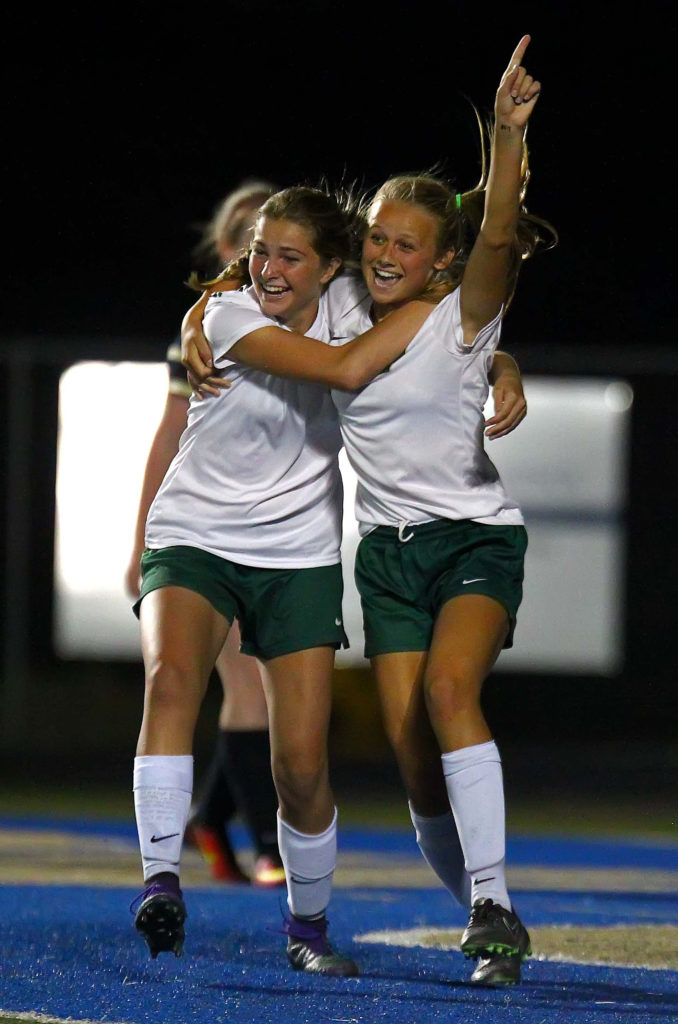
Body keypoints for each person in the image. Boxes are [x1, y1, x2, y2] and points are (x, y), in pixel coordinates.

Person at [182, 37, 553, 987]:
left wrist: (507, 142)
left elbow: (501, 232)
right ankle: (479, 901)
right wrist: (198, 316)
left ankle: (494, 903)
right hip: (385, 556)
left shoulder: (464, 310)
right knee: (408, 756)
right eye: (378, 238)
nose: (385, 254)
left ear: (442, 259)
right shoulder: (346, 298)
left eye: (406, 245)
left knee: (446, 695)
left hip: (474, 539)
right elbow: (265, 274)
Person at [131, 184, 443, 976]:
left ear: (331, 265)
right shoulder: (232, 312)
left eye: (289, 256)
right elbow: (341, 372)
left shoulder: (353, 299)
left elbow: (457, 328)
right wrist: (198, 310)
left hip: (297, 552)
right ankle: (161, 882)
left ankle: (308, 928)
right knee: (172, 681)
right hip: (194, 532)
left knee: (301, 764)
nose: (267, 268)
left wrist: (498, 359)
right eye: (259, 251)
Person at [125, 180, 286, 888]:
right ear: (226, 248)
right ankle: (266, 848)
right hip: (205, 534)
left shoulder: (301, 330)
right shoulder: (206, 330)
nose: (268, 252)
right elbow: (168, 438)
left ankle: (212, 820)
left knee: (269, 692)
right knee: (248, 689)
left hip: (272, 536)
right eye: (251, 234)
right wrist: (141, 544)